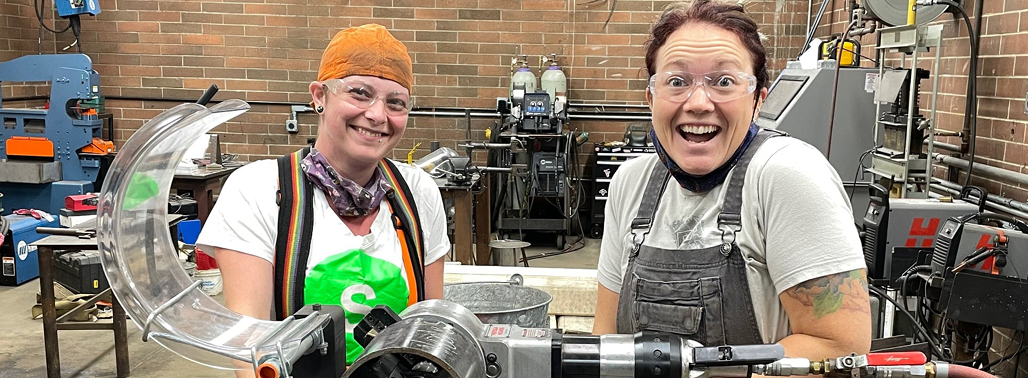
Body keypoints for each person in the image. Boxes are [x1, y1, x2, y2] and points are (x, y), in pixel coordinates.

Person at [592, 0, 872, 360]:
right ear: (651, 97)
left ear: (758, 100)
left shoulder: (788, 177)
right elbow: (607, 338)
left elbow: (838, 346)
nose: (698, 102)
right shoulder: (631, 183)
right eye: (676, 81)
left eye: (724, 82)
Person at [195, 24, 449, 365]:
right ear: (319, 96)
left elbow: (430, 329)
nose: (377, 114)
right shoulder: (258, 190)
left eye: (396, 103)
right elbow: (250, 348)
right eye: (359, 93)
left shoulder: (418, 193)